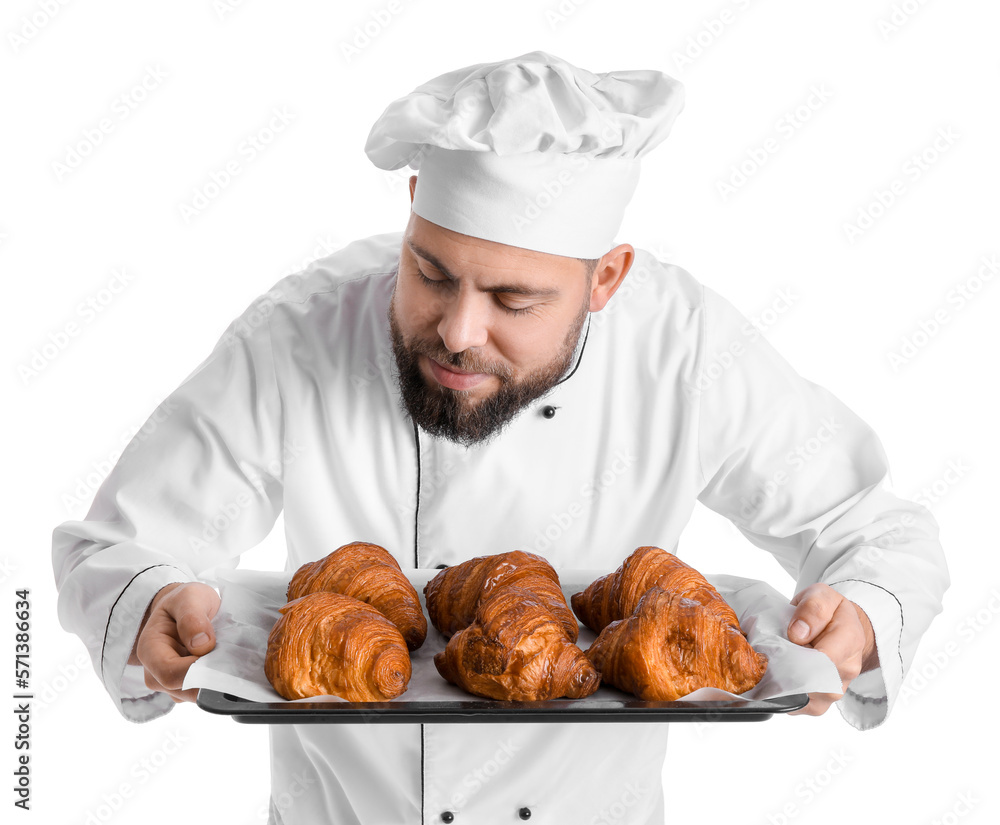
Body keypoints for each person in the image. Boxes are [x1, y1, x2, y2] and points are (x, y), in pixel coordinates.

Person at [52, 50, 949, 824]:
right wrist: (143, 603)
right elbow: (120, 543)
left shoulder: (686, 351)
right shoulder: (302, 331)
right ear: (410, 207)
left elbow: (878, 533)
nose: (456, 331)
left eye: (514, 300)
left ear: (606, 279)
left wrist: (862, 607)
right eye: (431, 272)